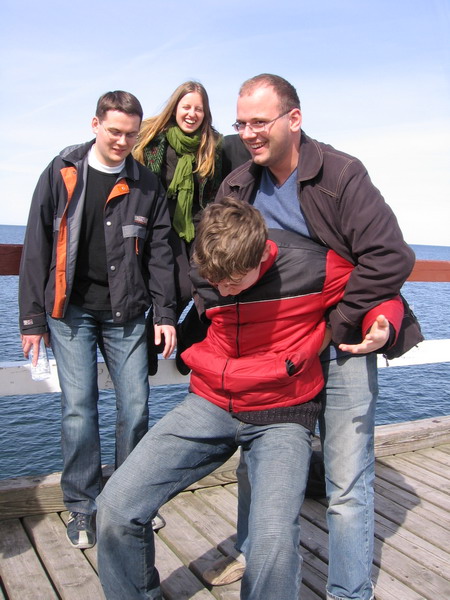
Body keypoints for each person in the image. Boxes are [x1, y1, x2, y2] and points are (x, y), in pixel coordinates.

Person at [96, 197, 403, 600]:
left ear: (260, 256)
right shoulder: (208, 266)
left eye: (234, 282)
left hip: (283, 413)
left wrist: (383, 323)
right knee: (116, 506)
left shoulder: (314, 267)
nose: (222, 289)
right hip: (211, 402)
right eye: (215, 281)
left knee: (272, 543)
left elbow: (380, 291)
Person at [211, 74, 421, 600]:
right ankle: (252, 557)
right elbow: (215, 261)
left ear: (294, 119)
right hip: (274, 352)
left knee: (346, 482)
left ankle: (349, 591)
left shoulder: (342, 174)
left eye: (260, 122)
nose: (248, 133)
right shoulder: (236, 185)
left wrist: (341, 321)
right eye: (241, 123)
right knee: (254, 465)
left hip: (341, 347)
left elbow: (390, 256)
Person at [18, 91, 177, 549]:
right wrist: (32, 320)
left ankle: (128, 500)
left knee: (136, 407)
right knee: (79, 409)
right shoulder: (61, 170)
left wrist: (165, 314)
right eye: (114, 131)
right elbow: (35, 246)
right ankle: (82, 506)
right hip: (70, 311)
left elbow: (161, 254)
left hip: (127, 312)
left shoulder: (147, 183)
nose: (122, 141)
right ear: (95, 125)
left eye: (131, 134)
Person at [133, 80, 223, 319]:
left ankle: (184, 335)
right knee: (177, 288)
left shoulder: (212, 145)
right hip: (162, 225)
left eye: (198, 109)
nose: (192, 114)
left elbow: (215, 192)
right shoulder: (152, 139)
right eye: (186, 107)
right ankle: (155, 336)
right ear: (175, 108)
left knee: (207, 286)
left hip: (196, 226)